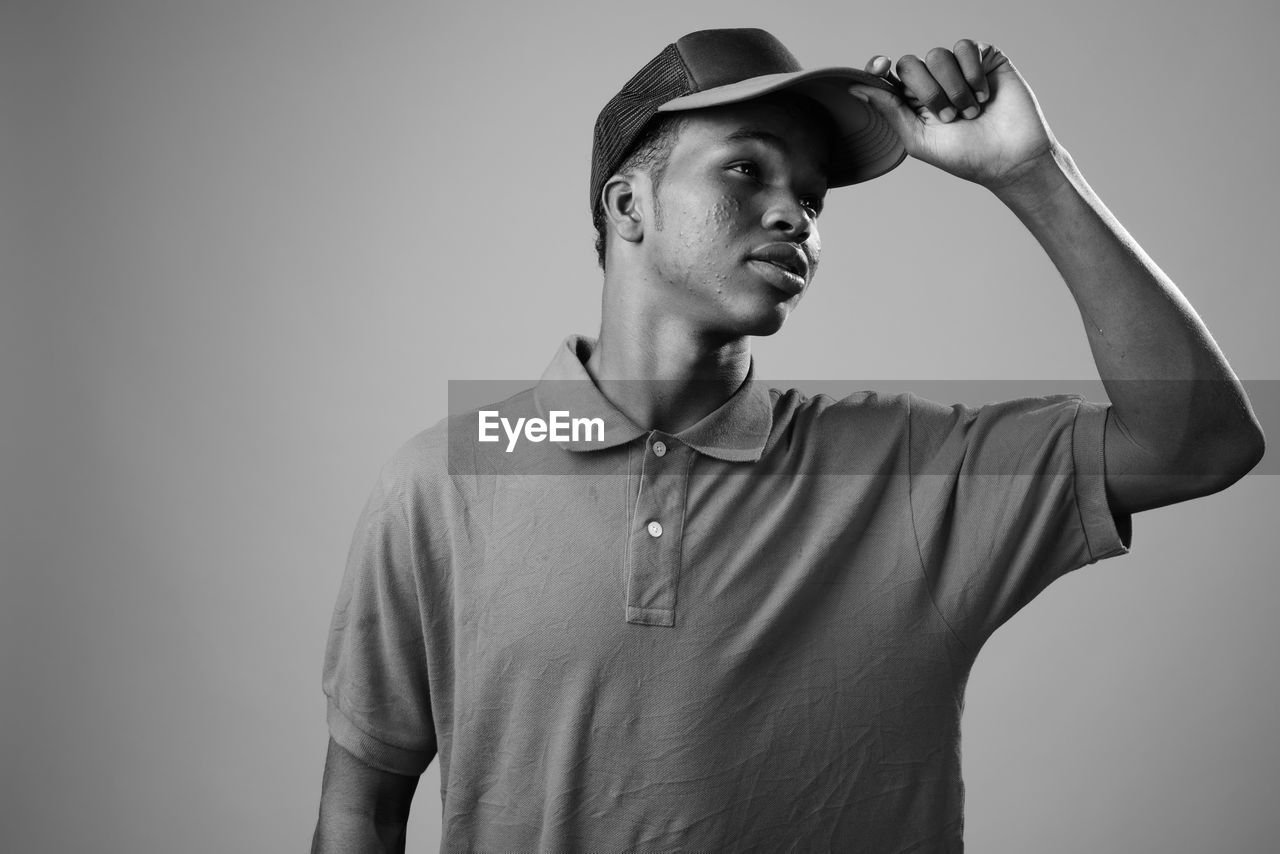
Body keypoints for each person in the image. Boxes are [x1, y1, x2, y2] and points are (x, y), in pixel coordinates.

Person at [312, 28, 1264, 853]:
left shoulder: (900, 470)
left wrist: (1030, 173)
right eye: (746, 168)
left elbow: (1201, 443)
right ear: (626, 206)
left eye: (813, 199)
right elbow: (360, 811)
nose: (793, 214)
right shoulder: (446, 478)